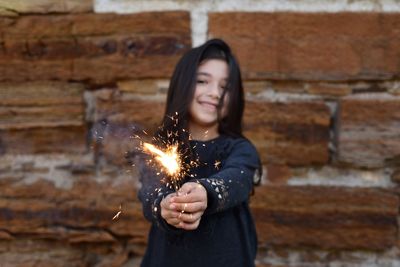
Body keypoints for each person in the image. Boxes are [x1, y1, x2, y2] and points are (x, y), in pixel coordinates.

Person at [137, 38, 261, 267]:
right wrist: (165, 206)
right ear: (183, 84)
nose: (214, 93)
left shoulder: (240, 149)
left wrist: (207, 192)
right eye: (203, 81)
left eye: (225, 87)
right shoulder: (161, 149)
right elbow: (150, 194)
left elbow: (238, 179)